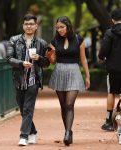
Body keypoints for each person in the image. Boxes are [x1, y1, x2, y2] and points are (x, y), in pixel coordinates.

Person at [6, 14, 49, 146]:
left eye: (31, 24)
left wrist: (39, 58)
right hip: (19, 79)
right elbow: (8, 59)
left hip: (33, 80)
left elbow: (47, 63)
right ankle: (33, 131)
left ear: (36, 26)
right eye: (26, 24)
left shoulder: (42, 43)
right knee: (22, 107)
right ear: (23, 26)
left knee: (28, 108)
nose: (28, 26)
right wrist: (21, 63)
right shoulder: (14, 40)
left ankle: (23, 136)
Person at [48, 16, 90, 146]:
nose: (59, 29)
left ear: (68, 26)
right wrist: (50, 56)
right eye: (58, 27)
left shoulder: (78, 39)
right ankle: (68, 132)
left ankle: (67, 132)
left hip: (74, 72)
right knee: (62, 106)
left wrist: (87, 76)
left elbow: (83, 59)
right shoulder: (54, 41)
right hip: (59, 72)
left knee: (69, 104)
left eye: (62, 27)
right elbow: (53, 61)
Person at [98, 9, 121, 132]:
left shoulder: (109, 33)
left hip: (113, 68)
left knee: (111, 92)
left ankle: (108, 122)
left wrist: (101, 58)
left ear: (112, 19)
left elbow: (104, 50)